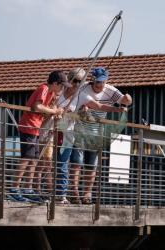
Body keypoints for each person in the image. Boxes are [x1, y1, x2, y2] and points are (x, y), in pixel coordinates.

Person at [55, 67, 130, 204]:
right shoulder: (82, 88)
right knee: (75, 163)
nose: (99, 85)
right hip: (75, 131)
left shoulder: (109, 90)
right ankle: (73, 193)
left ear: (106, 81)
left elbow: (106, 105)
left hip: (95, 133)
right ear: (91, 81)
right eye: (97, 82)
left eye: (102, 82)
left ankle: (85, 194)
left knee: (91, 164)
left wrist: (122, 105)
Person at [8, 70, 69, 202]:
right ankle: (14, 189)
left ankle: (28, 189)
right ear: (55, 83)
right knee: (26, 158)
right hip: (29, 126)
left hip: (35, 128)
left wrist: (55, 113)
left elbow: (44, 111)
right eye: (62, 85)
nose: (62, 88)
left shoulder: (51, 93)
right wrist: (54, 111)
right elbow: (37, 106)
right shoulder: (44, 88)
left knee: (34, 159)